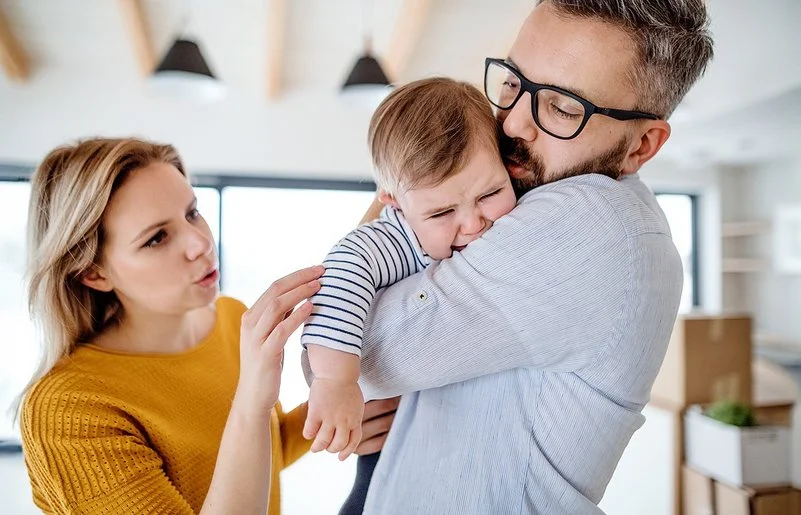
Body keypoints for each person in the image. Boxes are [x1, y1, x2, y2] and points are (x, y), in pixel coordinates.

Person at [346, 1, 715, 514]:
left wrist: (407, 186)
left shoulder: (596, 222)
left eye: (564, 108)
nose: (514, 122)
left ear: (642, 145)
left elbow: (356, 353)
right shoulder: (520, 198)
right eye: (514, 81)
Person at [17, 138, 398, 514]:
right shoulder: (67, 410)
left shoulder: (230, 317)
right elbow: (245, 429)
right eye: (157, 238)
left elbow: (259, 448)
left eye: (192, 212)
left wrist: (325, 418)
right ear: (92, 273)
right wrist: (251, 401)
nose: (199, 242)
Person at [298, 78, 517, 512]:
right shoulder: (397, 238)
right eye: (442, 212)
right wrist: (335, 379)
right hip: (385, 443)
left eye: (490, 193)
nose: (473, 223)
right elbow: (344, 269)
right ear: (394, 203)